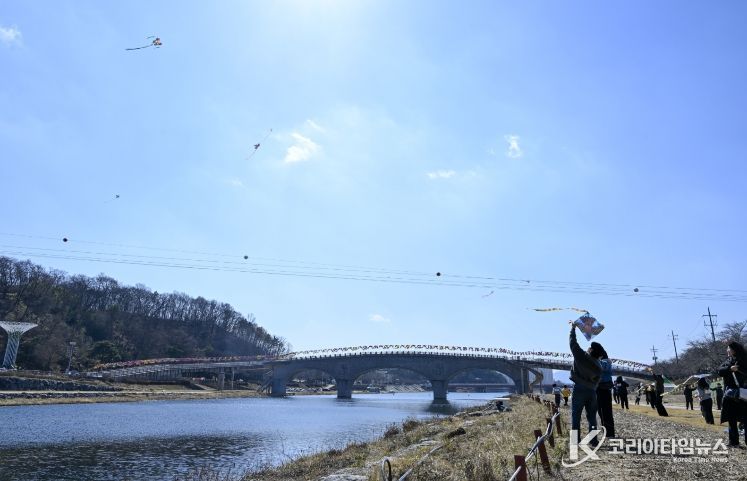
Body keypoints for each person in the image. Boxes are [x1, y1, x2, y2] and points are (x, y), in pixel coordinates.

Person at [569, 321, 603, 443]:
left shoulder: (581, 356)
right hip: (592, 391)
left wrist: (573, 329)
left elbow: (573, 343)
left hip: (579, 389)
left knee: (576, 416)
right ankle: (593, 441)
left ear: (591, 350)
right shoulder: (599, 366)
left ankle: (575, 441)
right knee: (592, 417)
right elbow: (598, 381)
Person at [717, 341, 747, 447]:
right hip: (730, 395)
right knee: (731, 419)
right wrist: (730, 369)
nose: (727, 350)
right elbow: (719, 371)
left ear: (734, 350)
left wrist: (739, 369)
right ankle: (733, 442)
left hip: (743, 394)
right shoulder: (728, 361)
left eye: (729, 348)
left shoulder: (744, 360)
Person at [595, 344, 616, 437]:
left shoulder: (604, 362)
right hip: (603, 388)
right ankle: (608, 431)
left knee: (604, 411)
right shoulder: (606, 362)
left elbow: (601, 366)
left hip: (602, 388)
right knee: (603, 411)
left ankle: (609, 432)